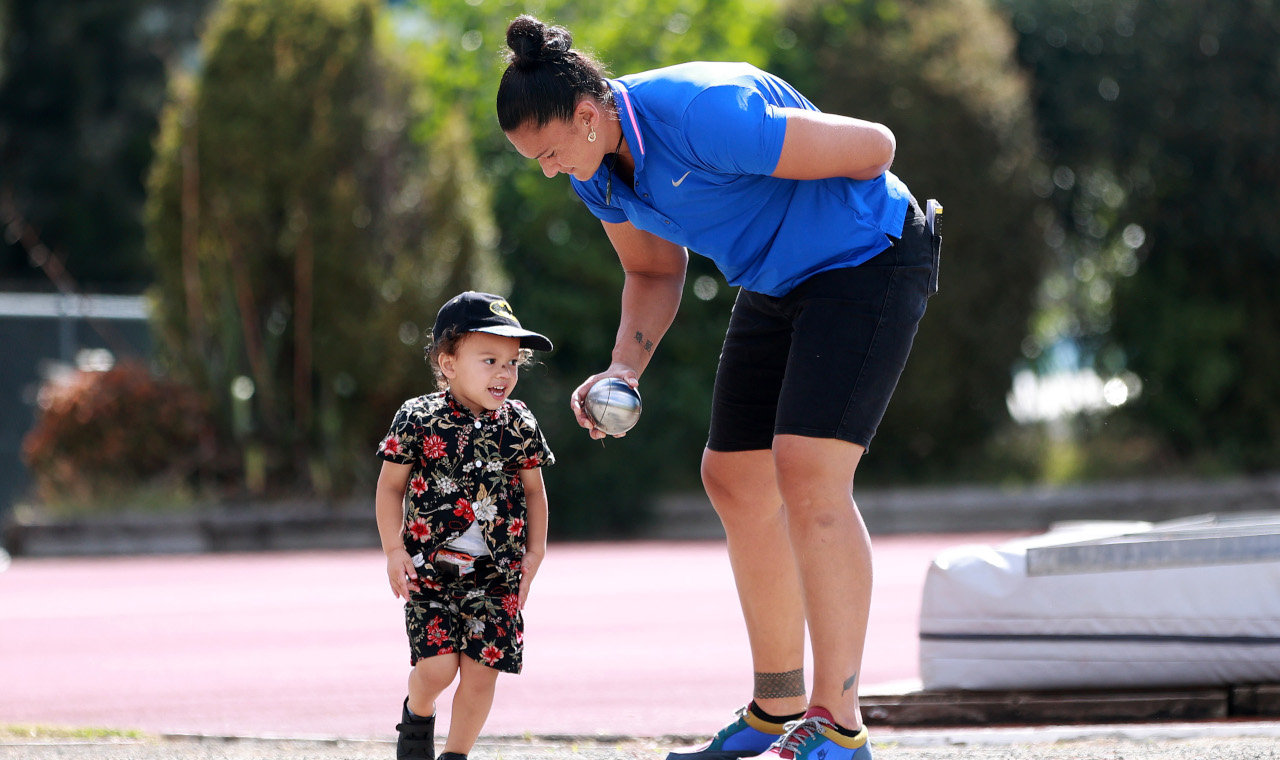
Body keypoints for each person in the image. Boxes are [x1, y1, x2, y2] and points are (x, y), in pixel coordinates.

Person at [497, 14, 941, 760]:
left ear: (584, 114)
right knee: (734, 477)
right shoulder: (596, 170)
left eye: (547, 152)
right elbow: (654, 271)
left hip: (870, 256)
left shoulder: (706, 113)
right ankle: (777, 706)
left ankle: (839, 726)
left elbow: (876, 147)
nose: (547, 169)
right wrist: (622, 369)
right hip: (775, 282)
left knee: (808, 471)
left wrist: (818, 219)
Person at [375, 291, 556, 760]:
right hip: (429, 568)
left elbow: (534, 491)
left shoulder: (518, 423)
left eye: (513, 362)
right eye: (491, 359)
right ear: (448, 362)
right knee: (437, 669)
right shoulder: (417, 417)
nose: (505, 373)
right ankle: (418, 711)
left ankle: (456, 755)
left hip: (498, 573)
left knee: (481, 672)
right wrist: (394, 552)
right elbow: (390, 488)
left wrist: (533, 555)